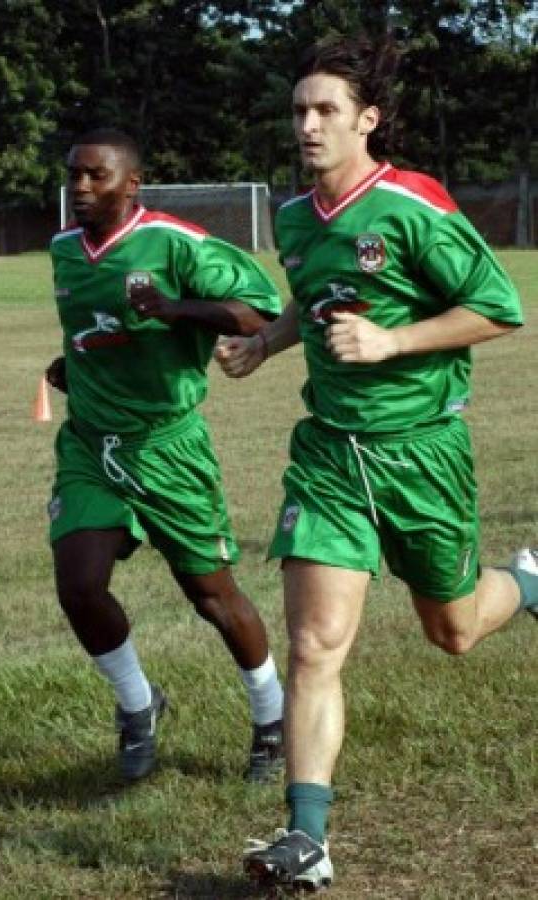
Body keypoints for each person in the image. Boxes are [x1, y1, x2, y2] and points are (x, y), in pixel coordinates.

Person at [216, 33, 537, 891]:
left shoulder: (412, 206)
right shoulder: (291, 219)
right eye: (298, 110)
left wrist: (394, 339)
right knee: (315, 645)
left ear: (367, 120)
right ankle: (306, 836)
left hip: (422, 453)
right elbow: (312, 303)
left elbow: (499, 309)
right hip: (328, 453)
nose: (308, 125)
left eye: (325, 110)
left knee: (454, 631)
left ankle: (530, 582)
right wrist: (269, 345)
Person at [45, 127, 285, 785]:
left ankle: (271, 716)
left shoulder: (177, 242)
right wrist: (75, 365)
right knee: (79, 585)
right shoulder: (63, 249)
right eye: (73, 175)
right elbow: (94, 332)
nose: (80, 188)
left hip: (168, 449)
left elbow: (259, 314)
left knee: (211, 595)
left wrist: (177, 309)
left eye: (96, 176)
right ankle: (138, 704)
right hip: (91, 445)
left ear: (132, 183)